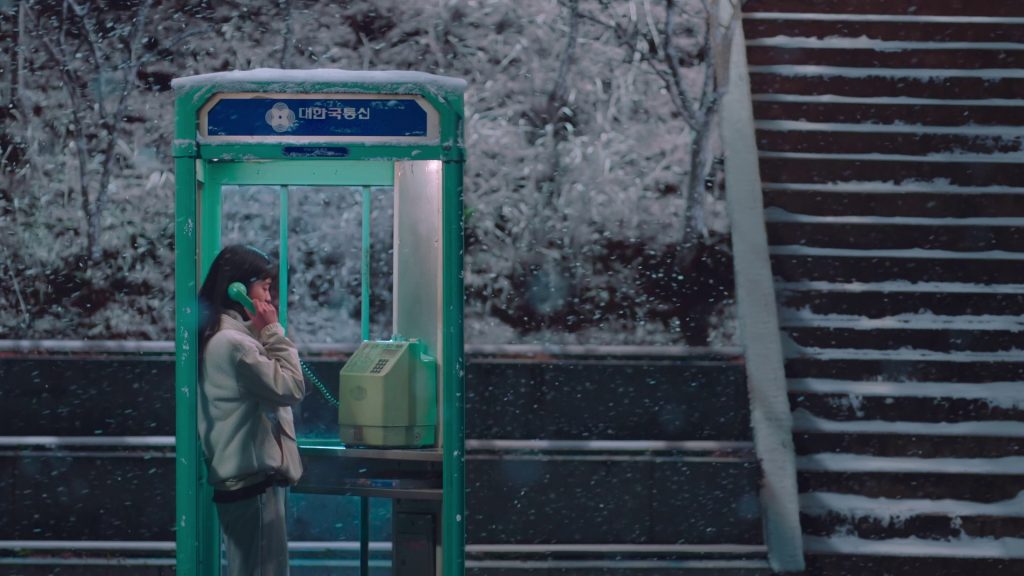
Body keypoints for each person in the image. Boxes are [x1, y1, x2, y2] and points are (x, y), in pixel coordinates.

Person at [197, 244, 306, 576]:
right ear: (239, 290)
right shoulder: (236, 345)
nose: (270, 299)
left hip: (238, 484)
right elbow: (292, 388)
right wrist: (273, 332)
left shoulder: (216, 336)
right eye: (266, 287)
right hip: (252, 486)